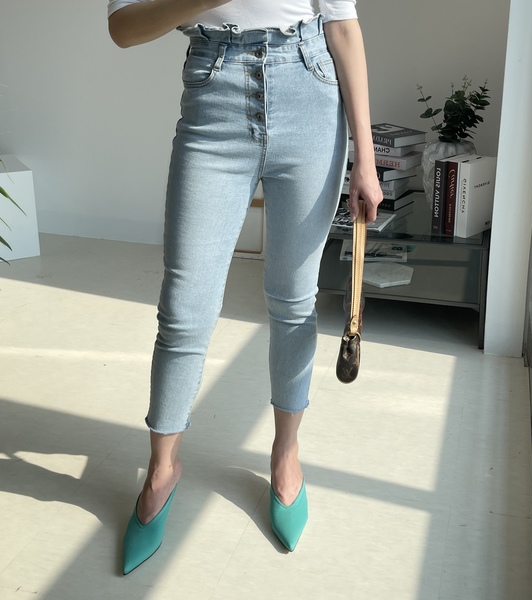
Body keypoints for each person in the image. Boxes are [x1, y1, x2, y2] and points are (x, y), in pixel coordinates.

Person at [107, 0, 382, 574]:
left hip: (309, 87)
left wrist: (366, 156)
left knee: (293, 299)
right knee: (184, 310)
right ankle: (161, 471)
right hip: (216, 87)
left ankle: (286, 455)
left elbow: (342, 25)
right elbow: (123, 28)